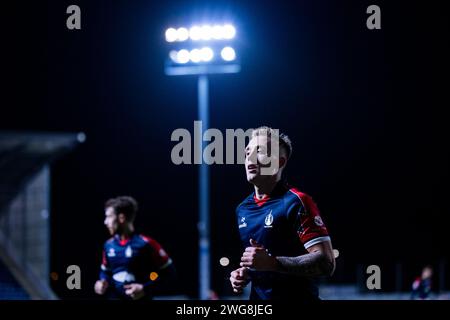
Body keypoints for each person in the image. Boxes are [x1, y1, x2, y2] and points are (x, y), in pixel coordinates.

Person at [229, 126, 335, 300]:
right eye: (247, 152)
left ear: (280, 162)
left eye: (260, 151)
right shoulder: (243, 209)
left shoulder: (297, 201)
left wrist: (273, 263)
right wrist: (245, 272)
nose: (250, 157)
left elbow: (326, 263)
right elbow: (261, 262)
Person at [94, 196, 175, 300]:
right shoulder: (108, 245)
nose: (105, 222)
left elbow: (169, 273)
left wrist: (145, 288)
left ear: (121, 218)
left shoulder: (147, 244)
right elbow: (106, 271)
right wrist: (102, 281)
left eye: (109, 217)